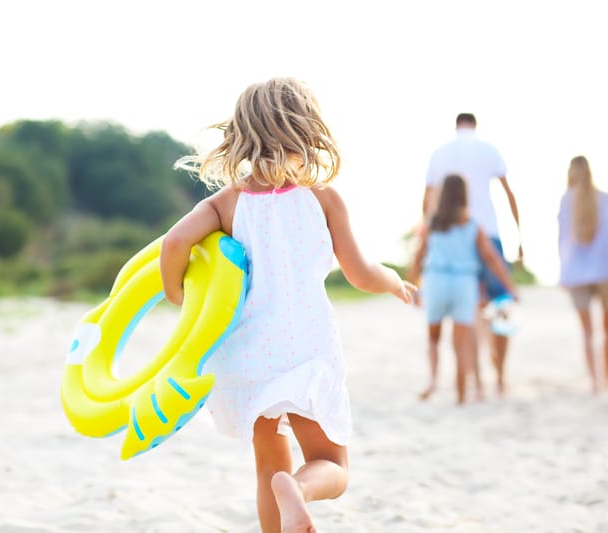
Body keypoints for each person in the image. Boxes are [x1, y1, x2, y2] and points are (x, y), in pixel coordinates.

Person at [160, 78, 418, 533]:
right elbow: (359, 272)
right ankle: (300, 491)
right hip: (305, 350)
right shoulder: (323, 199)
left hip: (246, 358)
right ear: (306, 130)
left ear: (239, 133)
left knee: (268, 468)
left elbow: (176, 241)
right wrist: (394, 281)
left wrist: (181, 298)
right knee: (329, 463)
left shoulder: (226, 203)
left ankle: (282, 503)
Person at [423, 113, 523, 396]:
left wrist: (430, 236)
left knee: (468, 314)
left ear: (456, 125)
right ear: (474, 125)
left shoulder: (439, 153)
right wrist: (519, 238)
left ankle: (477, 382)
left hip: (448, 232)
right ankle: (500, 377)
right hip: (488, 231)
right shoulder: (488, 148)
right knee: (501, 305)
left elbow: (426, 197)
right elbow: (508, 193)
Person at [408, 174, 518, 404]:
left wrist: (412, 286)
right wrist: (510, 286)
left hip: (436, 281)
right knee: (461, 344)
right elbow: (492, 258)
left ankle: (433, 379)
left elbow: (418, 256)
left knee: (434, 338)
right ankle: (460, 395)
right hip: (464, 283)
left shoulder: (432, 222)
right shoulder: (472, 224)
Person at [558, 156, 608, 394]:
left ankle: (594, 382)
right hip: (605, 269)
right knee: (607, 329)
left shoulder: (566, 201)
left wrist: (563, 273)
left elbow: (562, 240)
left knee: (587, 331)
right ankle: (606, 378)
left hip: (576, 273)